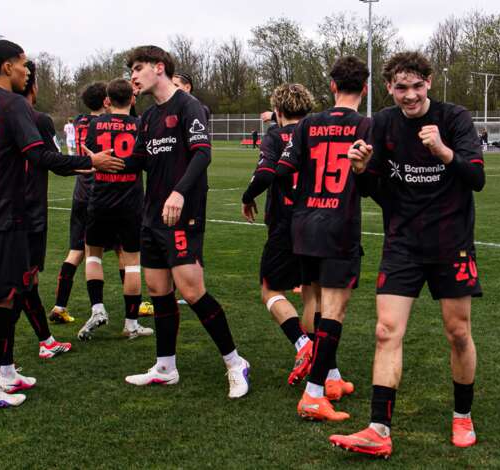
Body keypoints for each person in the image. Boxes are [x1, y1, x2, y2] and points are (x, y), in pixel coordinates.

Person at [0, 39, 123, 412]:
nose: (27, 71)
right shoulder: (11, 105)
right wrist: (92, 163)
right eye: (23, 64)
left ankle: (7, 372)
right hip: (3, 216)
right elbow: (41, 155)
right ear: (8, 66)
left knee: (11, 293)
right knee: (2, 301)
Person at [330, 51, 485, 457]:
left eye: (417, 86)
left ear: (429, 83)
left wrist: (444, 152)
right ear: (389, 88)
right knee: (385, 331)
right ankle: (379, 429)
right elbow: (375, 191)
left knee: (458, 333)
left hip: (451, 242)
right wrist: (360, 169)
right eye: (401, 88)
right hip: (402, 243)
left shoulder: (455, 119)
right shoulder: (380, 123)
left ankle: (462, 414)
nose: (410, 95)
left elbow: (477, 177)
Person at [122, 45, 250, 398]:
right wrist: (99, 163)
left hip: (182, 215)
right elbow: (136, 162)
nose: (132, 75)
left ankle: (235, 362)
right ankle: (165, 367)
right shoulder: (147, 117)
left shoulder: (188, 106)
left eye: (137, 68)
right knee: (160, 292)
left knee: (192, 292)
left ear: (158, 67)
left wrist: (179, 193)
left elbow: (202, 153)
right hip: (152, 217)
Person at [276, 56, 374, 421]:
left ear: (331, 86)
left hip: (305, 223)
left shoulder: (308, 124)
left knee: (314, 302)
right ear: (364, 88)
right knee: (334, 309)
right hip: (338, 225)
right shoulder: (367, 125)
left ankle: (330, 376)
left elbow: (286, 170)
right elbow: (369, 185)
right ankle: (314, 394)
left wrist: (298, 205)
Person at [0, 60, 72, 369]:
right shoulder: (33, 117)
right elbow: (50, 159)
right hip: (25, 214)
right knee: (18, 285)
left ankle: (42, 342)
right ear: (33, 86)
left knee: (22, 284)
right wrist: (91, 163)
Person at [241, 83, 316, 385]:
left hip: (285, 222)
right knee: (313, 292)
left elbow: (265, 173)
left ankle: (303, 344)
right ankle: (323, 365)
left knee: (270, 290)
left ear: (278, 111)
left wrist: (247, 197)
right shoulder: (318, 132)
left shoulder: (275, 135)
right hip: (319, 220)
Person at [77, 78, 153, 340]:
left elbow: (90, 157)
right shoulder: (141, 124)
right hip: (131, 200)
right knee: (132, 262)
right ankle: (131, 324)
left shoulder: (95, 124)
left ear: (107, 100)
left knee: (93, 255)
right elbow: (145, 160)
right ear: (133, 99)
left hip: (101, 197)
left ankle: (98, 309)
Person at [49, 82, 108, 324]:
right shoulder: (103, 125)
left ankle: (59, 305)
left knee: (76, 250)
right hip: (101, 188)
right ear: (106, 101)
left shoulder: (80, 121)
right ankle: (127, 314)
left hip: (80, 189)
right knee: (122, 251)